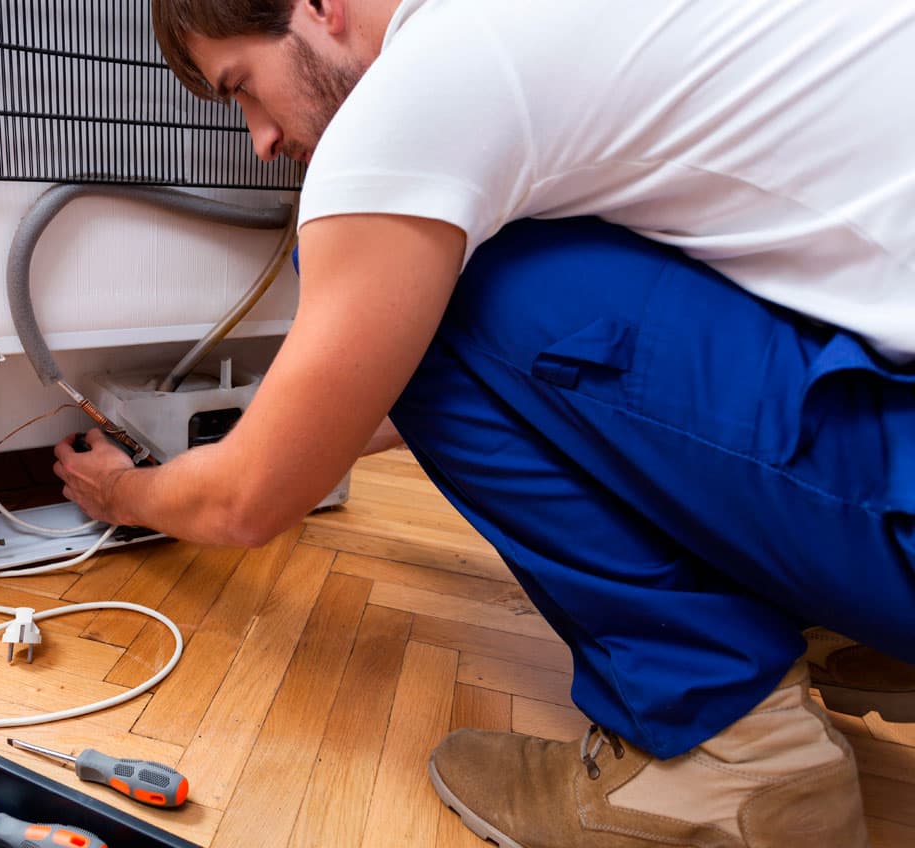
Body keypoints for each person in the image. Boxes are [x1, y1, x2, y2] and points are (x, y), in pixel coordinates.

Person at [53, 1, 915, 844]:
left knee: (443, 283)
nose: (260, 139)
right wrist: (299, 432)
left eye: (242, 86)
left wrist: (125, 491)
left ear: (320, 7)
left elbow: (246, 505)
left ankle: (727, 761)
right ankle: (842, 627)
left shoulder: (427, 84)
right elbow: (525, 384)